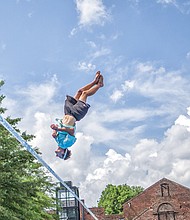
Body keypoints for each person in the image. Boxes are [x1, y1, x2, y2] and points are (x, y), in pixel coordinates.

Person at [50, 71, 104, 160]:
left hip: (67, 113)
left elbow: (57, 133)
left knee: (79, 92)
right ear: (64, 152)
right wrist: (57, 129)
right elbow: (71, 131)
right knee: (85, 94)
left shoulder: (59, 142)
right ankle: (99, 85)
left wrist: (55, 133)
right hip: (75, 114)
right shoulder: (67, 144)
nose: (56, 155)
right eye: (59, 156)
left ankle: (95, 82)